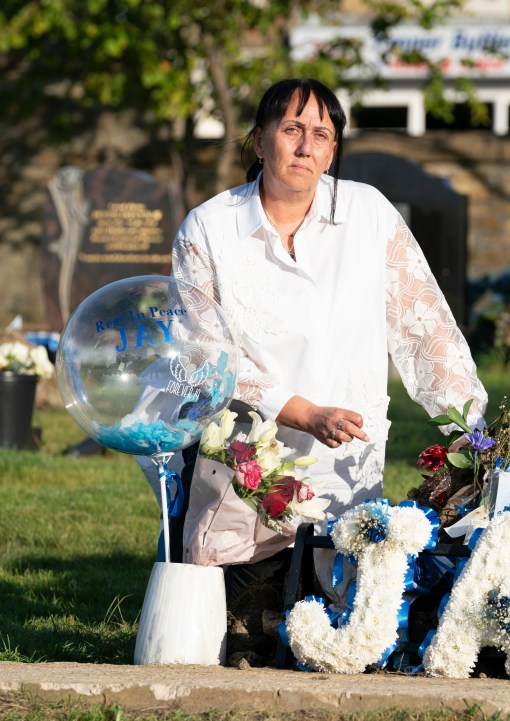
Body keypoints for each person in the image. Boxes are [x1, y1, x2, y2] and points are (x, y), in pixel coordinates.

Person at [170, 78, 488, 600]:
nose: (304, 146)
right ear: (259, 140)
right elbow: (207, 354)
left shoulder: (369, 214)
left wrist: (468, 428)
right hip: (246, 457)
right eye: (291, 129)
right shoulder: (206, 229)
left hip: (349, 454)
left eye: (321, 134)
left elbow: (424, 324)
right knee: (235, 613)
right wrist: (303, 413)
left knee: (342, 603)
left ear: (333, 149)